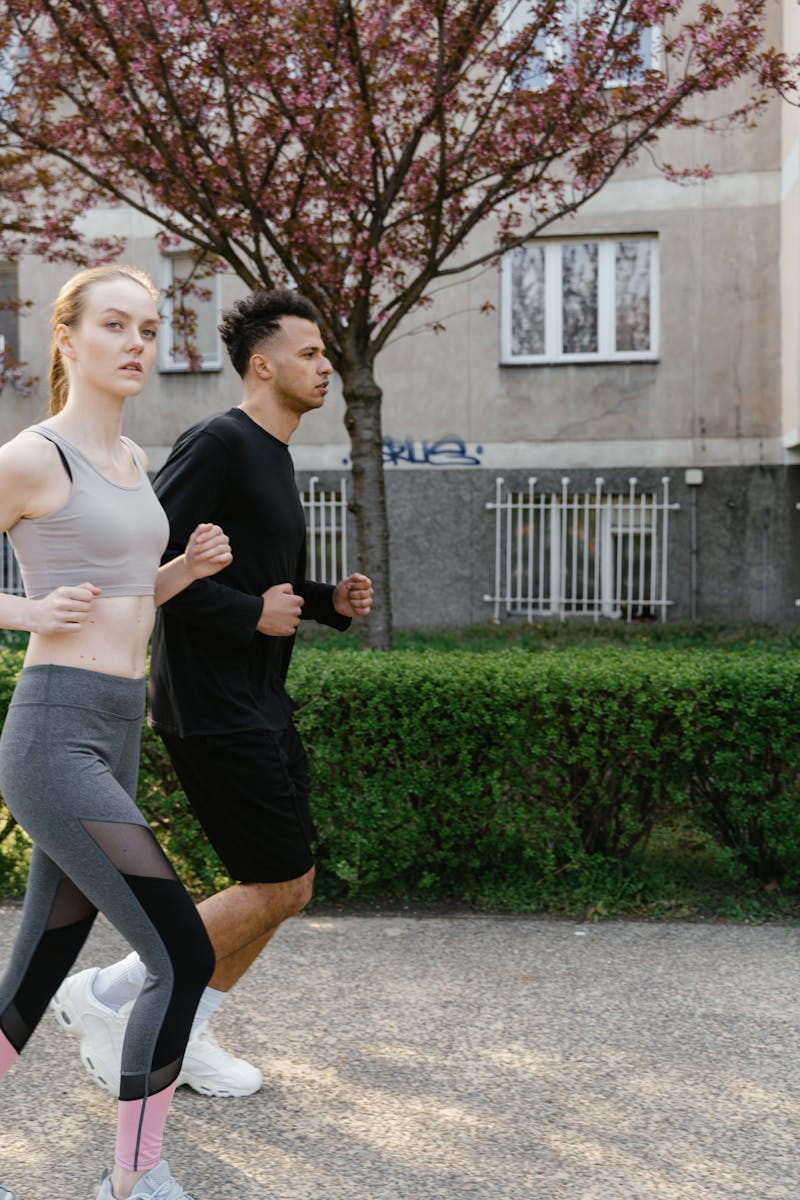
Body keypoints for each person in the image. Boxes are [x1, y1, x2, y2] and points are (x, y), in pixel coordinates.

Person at [52, 288, 373, 1099]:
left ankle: (183, 1034)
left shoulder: (273, 451)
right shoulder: (221, 443)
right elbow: (140, 565)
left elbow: (251, 576)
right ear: (263, 366)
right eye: (309, 352)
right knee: (279, 882)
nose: (325, 363)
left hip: (257, 699)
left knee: (283, 887)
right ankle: (109, 992)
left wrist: (323, 600)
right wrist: (249, 615)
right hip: (210, 706)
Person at [0, 264, 234, 1200]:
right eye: (115, 326)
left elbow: (129, 599)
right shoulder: (32, 457)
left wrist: (183, 571)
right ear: (67, 339)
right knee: (183, 953)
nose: (137, 343)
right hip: (53, 737)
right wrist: (25, 612)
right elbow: (56, 605)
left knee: (36, 974)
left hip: (112, 730)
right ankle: (136, 1182)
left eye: (149, 328)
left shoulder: (135, 465)